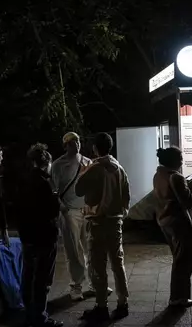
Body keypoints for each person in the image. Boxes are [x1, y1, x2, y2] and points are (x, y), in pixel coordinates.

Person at [76, 133, 131, 322]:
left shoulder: (94, 168)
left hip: (97, 222)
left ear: (95, 149)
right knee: (118, 263)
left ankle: (101, 306)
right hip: (116, 222)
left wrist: (84, 170)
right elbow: (127, 196)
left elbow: (78, 190)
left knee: (97, 266)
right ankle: (123, 303)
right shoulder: (119, 168)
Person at [17, 143, 63, 327]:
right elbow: (52, 211)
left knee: (28, 274)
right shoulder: (45, 183)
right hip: (44, 235)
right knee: (43, 277)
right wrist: (56, 198)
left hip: (27, 235)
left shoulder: (24, 180)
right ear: (46, 162)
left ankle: (29, 312)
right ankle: (40, 316)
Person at [50, 132, 99, 301]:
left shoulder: (87, 162)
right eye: (72, 142)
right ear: (65, 145)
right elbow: (53, 190)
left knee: (91, 248)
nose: (76, 144)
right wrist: (62, 208)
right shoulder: (58, 165)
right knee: (74, 252)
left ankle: (95, 283)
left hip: (86, 210)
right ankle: (76, 286)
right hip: (69, 211)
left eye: (77, 141)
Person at [153, 147, 192, 308]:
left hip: (165, 222)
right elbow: (188, 202)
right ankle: (178, 298)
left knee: (179, 258)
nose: (182, 161)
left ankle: (179, 296)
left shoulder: (159, 175)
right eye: (180, 158)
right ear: (173, 161)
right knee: (185, 261)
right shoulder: (175, 177)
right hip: (179, 223)